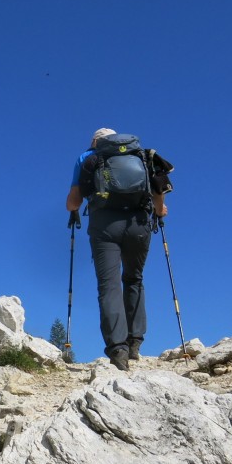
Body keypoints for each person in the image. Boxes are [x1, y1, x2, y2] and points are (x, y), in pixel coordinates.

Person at [66, 129, 172, 371]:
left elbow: (73, 201)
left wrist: (73, 209)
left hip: (104, 224)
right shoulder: (142, 155)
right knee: (134, 278)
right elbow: (158, 192)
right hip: (139, 224)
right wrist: (159, 211)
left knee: (109, 284)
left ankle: (118, 349)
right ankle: (135, 343)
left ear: (95, 141)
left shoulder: (88, 157)